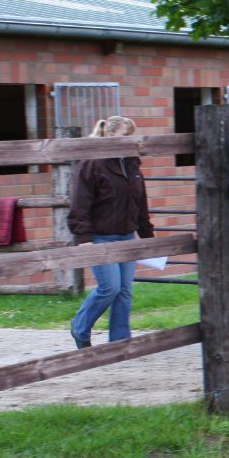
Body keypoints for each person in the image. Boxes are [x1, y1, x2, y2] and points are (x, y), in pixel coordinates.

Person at [69, 116, 155, 348]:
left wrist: (148, 237)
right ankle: (80, 326)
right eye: (126, 135)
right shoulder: (91, 163)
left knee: (125, 291)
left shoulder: (132, 163)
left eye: (132, 136)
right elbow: (79, 204)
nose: (131, 140)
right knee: (110, 287)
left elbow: (140, 202)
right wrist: (84, 239)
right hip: (100, 237)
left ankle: (120, 342)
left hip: (126, 235)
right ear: (110, 135)